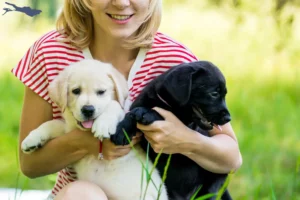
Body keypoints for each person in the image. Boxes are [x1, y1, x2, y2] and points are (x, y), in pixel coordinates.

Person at [12, 0, 243, 199]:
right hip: (81, 195)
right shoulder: (51, 51)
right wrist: (90, 143)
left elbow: (231, 157)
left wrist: (185, 140)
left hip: (151, 194)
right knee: (80, 193)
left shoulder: (176, 61)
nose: (121, 3)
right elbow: (30, 164)